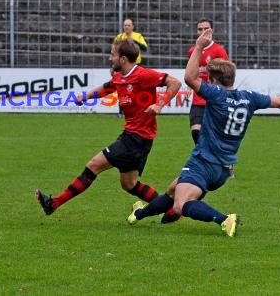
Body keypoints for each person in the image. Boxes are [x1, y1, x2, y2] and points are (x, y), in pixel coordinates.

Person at [127, 28, 280, 236]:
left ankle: (225, 219)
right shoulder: (249, 97)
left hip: (204, 162)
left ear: (213, 80)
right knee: (174, 189)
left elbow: (190, 78)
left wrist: (199, 46)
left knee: (181, 205)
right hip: (223, 169)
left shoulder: (216, 94)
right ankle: (138, 215)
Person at [35, 38, 182, 216]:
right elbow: (107, 88)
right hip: (136, 138)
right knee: (129, 184)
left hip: (137, 138)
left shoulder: (143, 75)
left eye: (113, 55)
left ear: (123, 59)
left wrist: (160, 104)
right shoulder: (119, 77)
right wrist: (85, 97)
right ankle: (172, 210)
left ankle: (54, 203)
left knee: (93, 165)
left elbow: (175, 83)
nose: (109, 58)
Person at [187, 17, 229, 145]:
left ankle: (222, 161)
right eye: (200, 29)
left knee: (217, 136)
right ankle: (205, 158)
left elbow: (227, 74)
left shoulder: (219, 51)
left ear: (212, 30)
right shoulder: (192, 51)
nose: (203, 32)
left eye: (206, 29)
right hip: (198, 99)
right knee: (196, 132)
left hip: (214, 100)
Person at [113, 18, 149, 117]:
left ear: (132, 26)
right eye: (125, 25)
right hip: (122, 66)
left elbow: (144, 48)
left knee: (137, 89)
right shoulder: (119, 37)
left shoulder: (138, 36)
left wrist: (133, 42)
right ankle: (121, 111)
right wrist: (112, 67)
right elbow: (114, 52)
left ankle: (138, 110)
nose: (127, 27)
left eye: (129, 25)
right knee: (122, 89)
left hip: (136, 66)